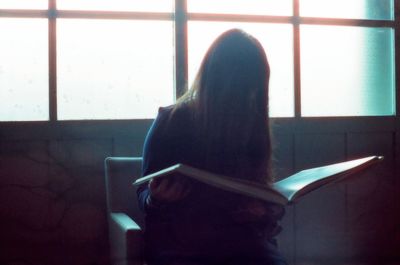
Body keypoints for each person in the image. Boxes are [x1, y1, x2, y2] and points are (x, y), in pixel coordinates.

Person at [137, 29, 287, 265]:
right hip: (181, 241)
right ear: (217, 81)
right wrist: (157, 198)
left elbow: (258, 188)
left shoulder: (252, 122)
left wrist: (262, 210)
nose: (248, 96)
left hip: (239, 240)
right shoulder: (172, 120)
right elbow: (143, 191)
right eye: (242, 88)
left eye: (254, 89)